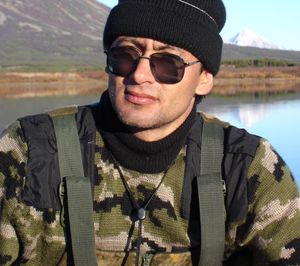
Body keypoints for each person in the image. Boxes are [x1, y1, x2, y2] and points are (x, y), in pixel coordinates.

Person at [0, 0, 300, 265]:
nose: (139, 74)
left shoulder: (244, 165)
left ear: (205, 79)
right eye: (125, 55)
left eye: (168, 63)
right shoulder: (32, 151)